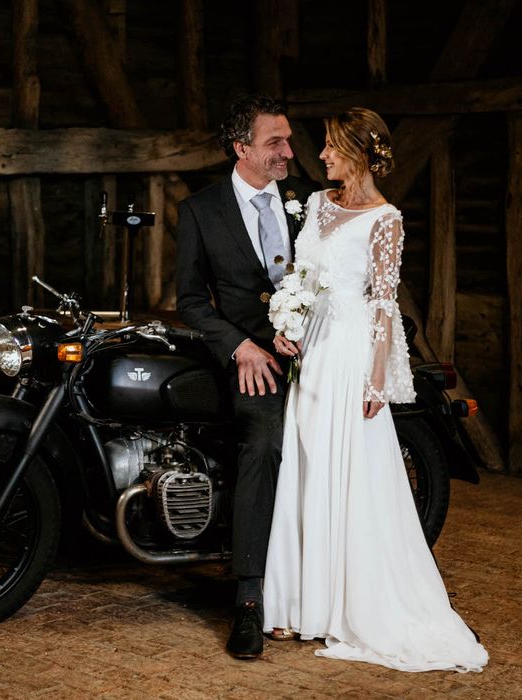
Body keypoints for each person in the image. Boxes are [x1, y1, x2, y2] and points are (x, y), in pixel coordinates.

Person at [262, 107, 488, 672]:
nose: (321, 156)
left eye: (332, 147)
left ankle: (340, 606)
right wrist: (285, 326)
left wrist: (378, 378)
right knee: (304, 465)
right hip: (309, 352)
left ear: (359, 152)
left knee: (345, 472)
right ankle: (295, 603)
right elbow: (299, 278)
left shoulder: (385, 218)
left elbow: (383, 304)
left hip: (348, 355)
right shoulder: (315, 204)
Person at [176, 94, 319, 659]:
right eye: (275, 143)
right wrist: (241, 346)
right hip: (252, 359)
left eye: (287, 140)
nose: (288, 151)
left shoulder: (309, 199)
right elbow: (190, 301)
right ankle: (251, 601)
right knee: (262, 444)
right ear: (242, 149)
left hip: (318, 353)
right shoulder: (200, 210)